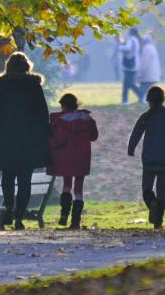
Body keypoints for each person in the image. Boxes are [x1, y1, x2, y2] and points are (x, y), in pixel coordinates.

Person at [0, 52, 51, 230]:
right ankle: (19, 216)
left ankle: (8, 207)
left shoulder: (2, 86)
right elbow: (42, 114)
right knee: (25, 180)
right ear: (27, 67)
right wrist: (46, 137)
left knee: (7, 176)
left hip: (7, 138)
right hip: (29, 140)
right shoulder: (34, 86)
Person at [127, 85, 165, 229]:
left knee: (146, 189)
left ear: (149, 100)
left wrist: (131, 148)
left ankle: (152, 204)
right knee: (161, 189)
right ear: (163, 100)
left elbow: (136, 133)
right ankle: (158, 222)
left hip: (150, 158)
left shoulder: (145, 117)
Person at [47, 93, 99, 229]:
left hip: (67, 156)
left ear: (63, 105)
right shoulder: (87, 119)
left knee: (67, 185)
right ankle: (76, 221)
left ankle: (64, 214)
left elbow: (57, 140)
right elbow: (94, 136)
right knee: (79, 189)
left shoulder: (60, 121)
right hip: (83, 157)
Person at [117, 27, 142, 104]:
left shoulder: (131, 40)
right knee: (126, 83)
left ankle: (141, 95)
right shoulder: (136, 40)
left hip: (130, 65)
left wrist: (120, 47)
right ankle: (125, 100)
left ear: (131, 33)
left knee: (129, 83)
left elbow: (127, 48)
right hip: (133, 64)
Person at [137, 34, 162, 102]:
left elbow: (145, 63)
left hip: (148, 75)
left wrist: (141, 74)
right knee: (145, 90)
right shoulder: (152, 48)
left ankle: (142, 101)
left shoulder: (146, 49)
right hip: (152, 74)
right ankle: (143, 101)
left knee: (142, 90)